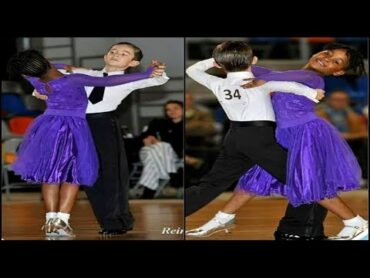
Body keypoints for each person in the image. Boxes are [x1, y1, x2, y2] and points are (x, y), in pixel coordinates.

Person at [186, 42, 368, 240]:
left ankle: (355, 222)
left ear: (338, 72)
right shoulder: (292, 74)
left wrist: (249, 74)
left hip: (305, 135)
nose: (327, 58)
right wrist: (230, 60)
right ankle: (223, 217)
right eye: (328, 52)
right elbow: (250, 69)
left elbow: (271, 77)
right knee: (255, 178)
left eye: (336, 61)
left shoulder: (311, 77)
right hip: (283, 134)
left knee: (304, 180)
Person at [7, 49, 157, 237]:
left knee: (51, 175)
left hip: (48, 127)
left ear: (28, 73)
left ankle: (51, 222)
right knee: (73, 175)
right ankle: (62, 222)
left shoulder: (36, 80)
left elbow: (37, 70)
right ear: (46, 60)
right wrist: (145, 74)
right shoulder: (73, 79)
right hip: (73, 128)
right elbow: (109, 81)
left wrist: (60, 67)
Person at [138, 100, 183, 199]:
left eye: (175, 108)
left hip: (171, 156)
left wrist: (160, 142)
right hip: (149, 150)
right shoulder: (158, 122)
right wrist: (149, 137)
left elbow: (179, 146)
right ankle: (171, 173)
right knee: (160, 148)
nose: (172, 111)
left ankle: (148, 193)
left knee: (162, 148)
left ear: (182, 109)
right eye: (168, 110)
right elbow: (145, 136)